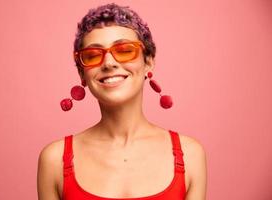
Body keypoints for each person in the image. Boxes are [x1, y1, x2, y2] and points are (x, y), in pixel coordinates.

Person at [37, 3, 207, 200]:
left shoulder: (190, 155)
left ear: (148, 61)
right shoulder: (54, 160)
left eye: (125, 50)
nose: (109, 63)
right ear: (81, 73)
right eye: (92, 55)